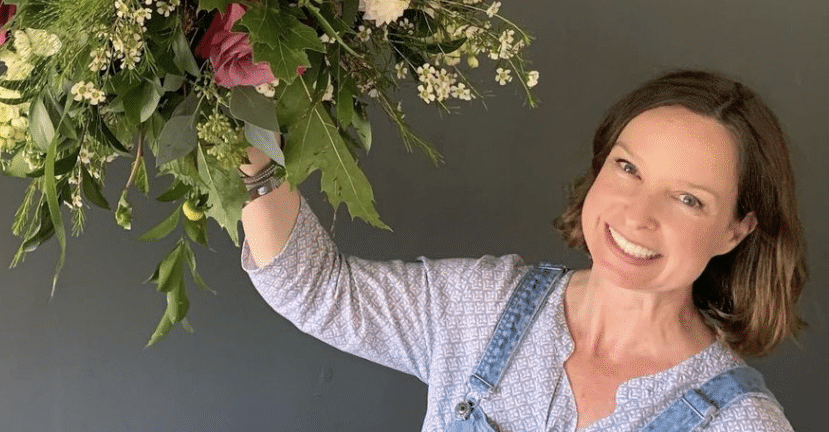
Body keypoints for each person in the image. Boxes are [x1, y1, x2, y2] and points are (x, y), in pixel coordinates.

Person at [239, 70, 807, 432]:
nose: (638, 214)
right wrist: (253, 155)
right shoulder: (482, 308)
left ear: (738, 229)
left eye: (688, 199)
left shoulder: (741, 425)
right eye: (628, 168)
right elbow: (316, 290)